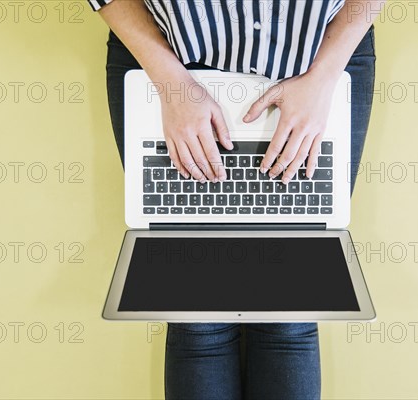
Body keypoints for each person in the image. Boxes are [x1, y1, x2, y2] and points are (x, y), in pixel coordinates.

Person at [89, 0, 383, 398]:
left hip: (321, 59)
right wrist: (172, 83)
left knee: (288, 309)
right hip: (165, 55)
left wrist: (325, 75)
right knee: (197, 313)